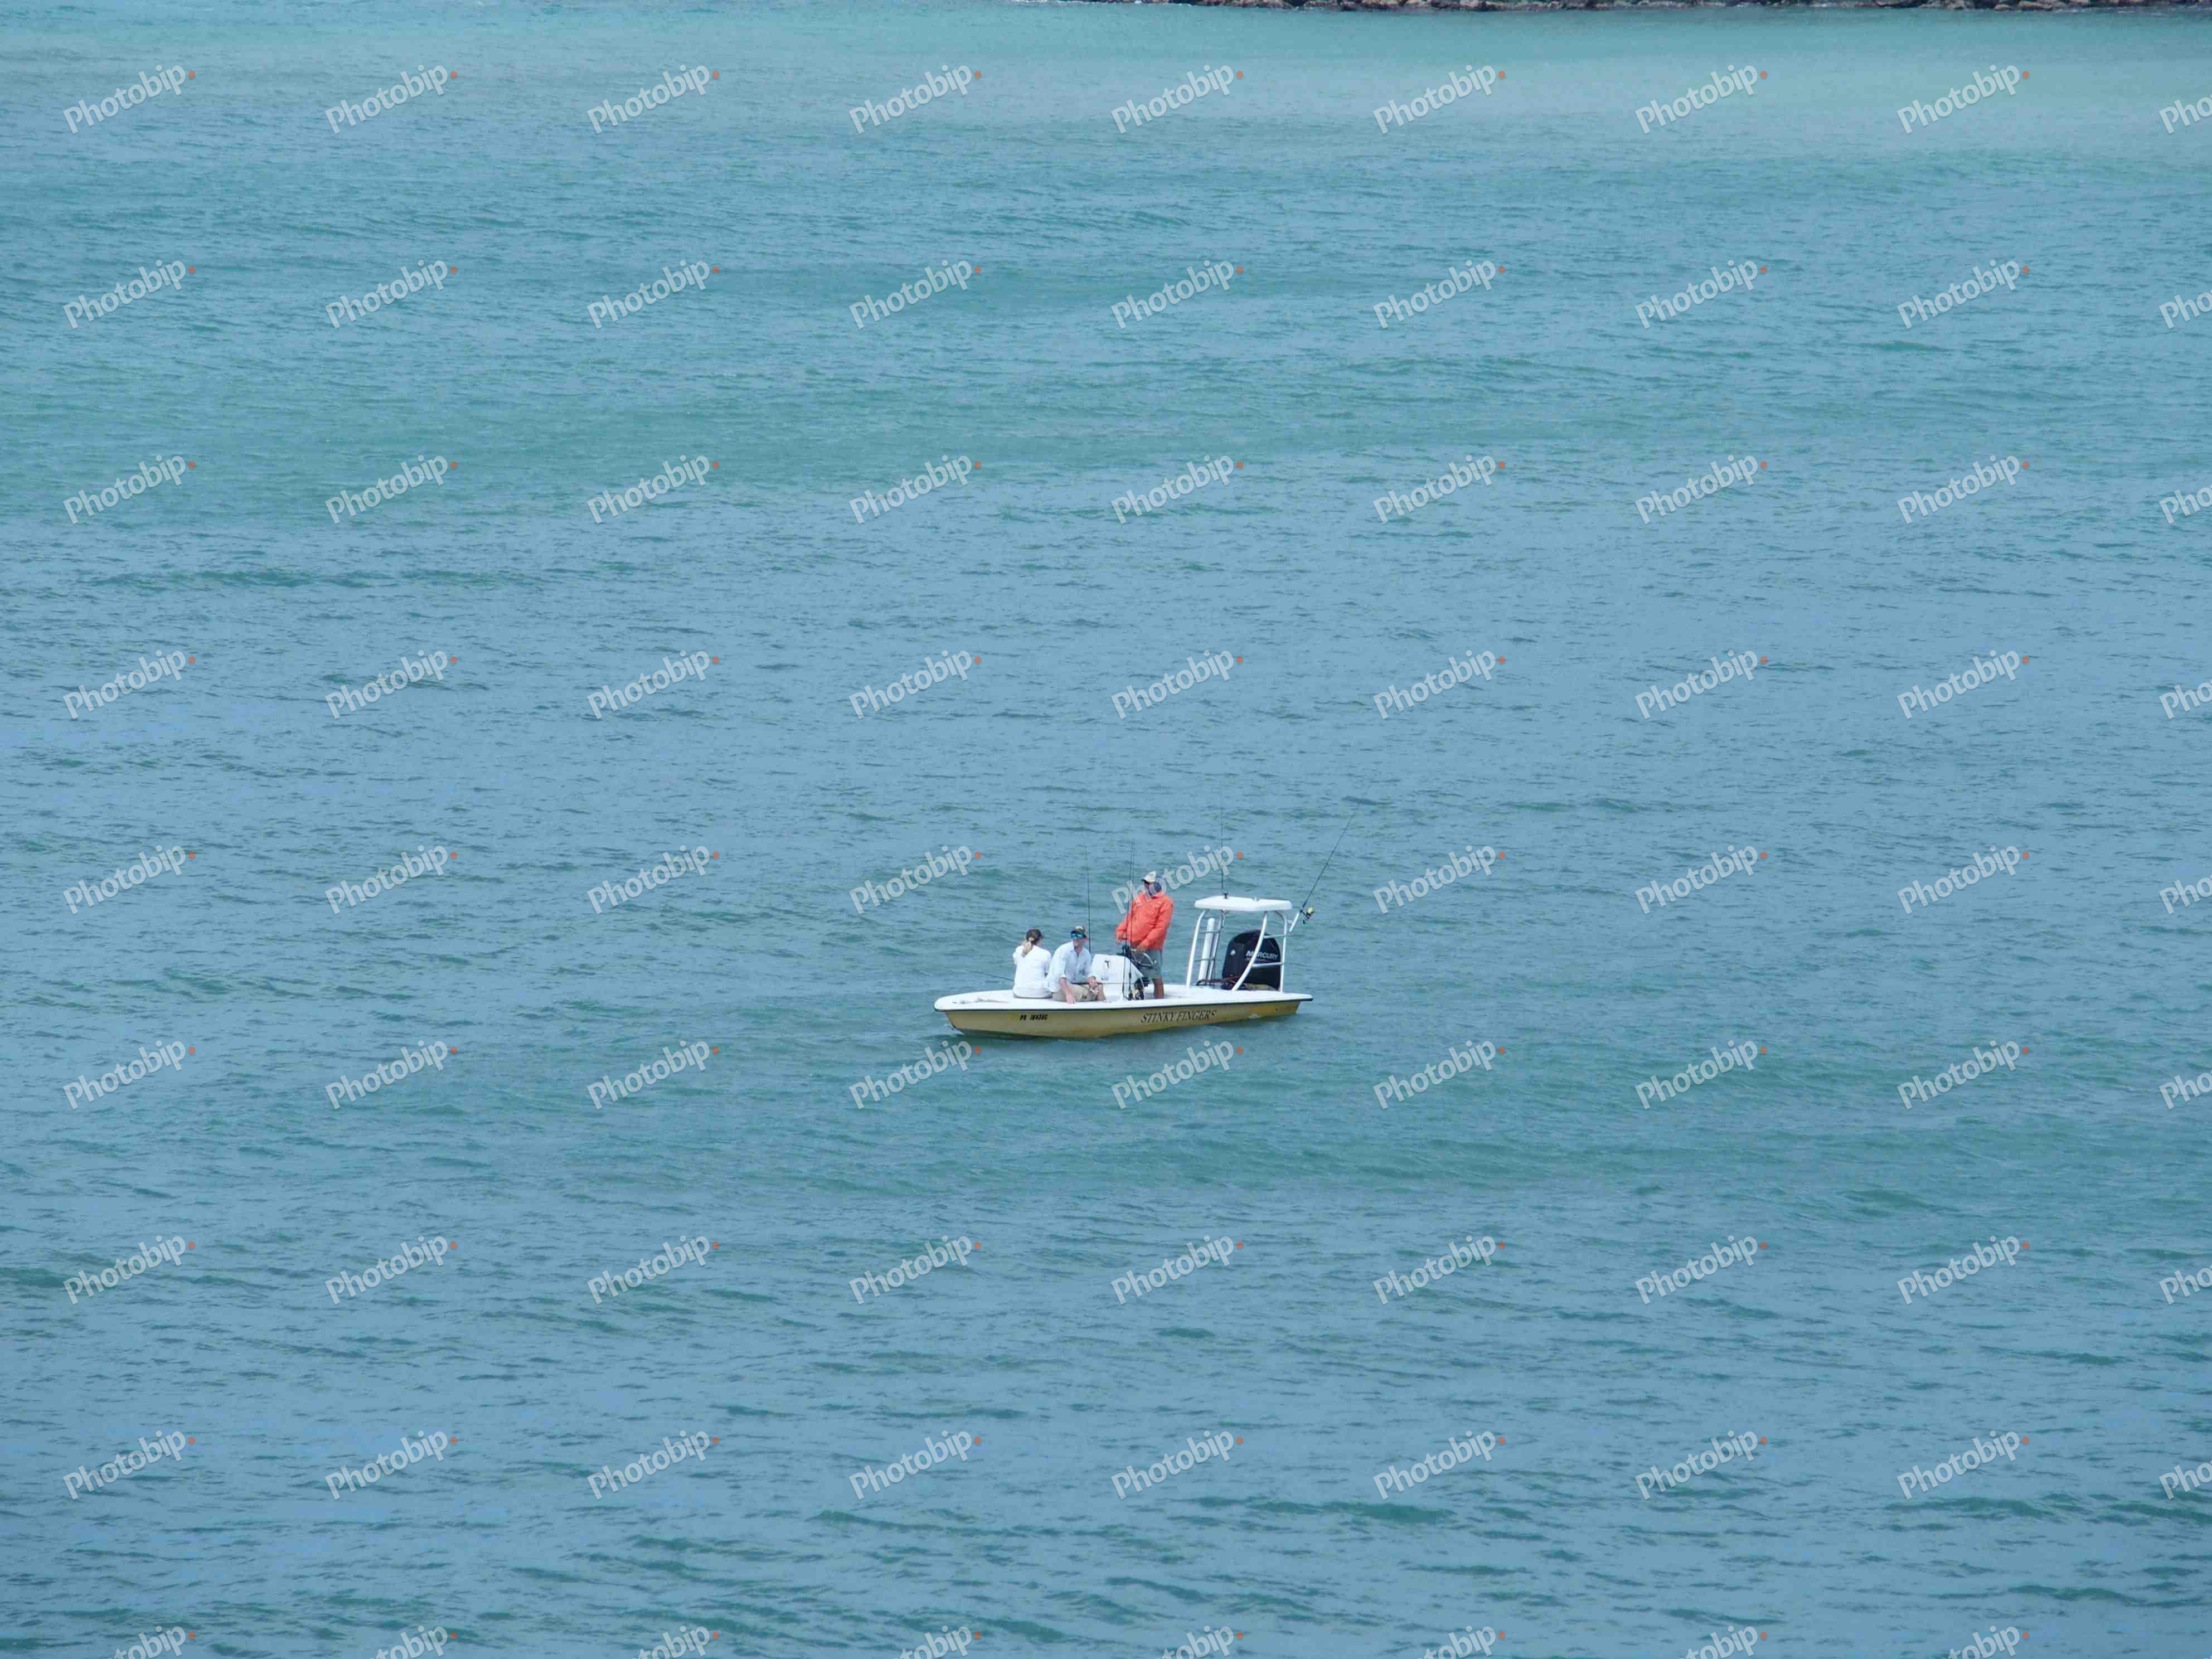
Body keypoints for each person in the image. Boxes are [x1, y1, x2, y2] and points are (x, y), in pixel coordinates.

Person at [1114, 871, 1175, 1001]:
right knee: (1135, 976)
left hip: (1152, 947)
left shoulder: (1166, 902)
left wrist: (1146, 943)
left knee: (1156, 977)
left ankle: (1159, 1005)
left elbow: (1161, 927)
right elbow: (1130, 917)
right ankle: (1136, 1001)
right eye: (1145, 883)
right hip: (1134, 945)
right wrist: (1121, 931)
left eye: (1149, 883)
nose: (1146, 885)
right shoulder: (1140, 898)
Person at [1047, 926, 1104, 1002]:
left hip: (1070, 985)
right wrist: (1068, 994)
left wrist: (1092, 980)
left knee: (1099, 987)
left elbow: (1088, 973)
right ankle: (1101, 1004)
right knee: (1091, 993)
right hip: (1058, 989)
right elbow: (1060, 976)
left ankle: (1103, 1005)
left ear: (1086, 939)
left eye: (1079, 936)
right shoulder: (1064, 950)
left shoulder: (1086, 954)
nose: (1076, 938)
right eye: (1074, 935)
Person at [1012, 928, 1054, 998]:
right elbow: (1048, 973)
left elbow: (1017, 963)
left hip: (1019, 993)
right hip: (1040, 993)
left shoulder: (1019, 950)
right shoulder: (1046, 954)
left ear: (1026, 939)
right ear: (1040, 940)